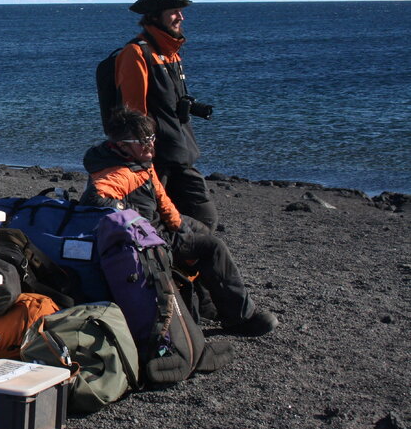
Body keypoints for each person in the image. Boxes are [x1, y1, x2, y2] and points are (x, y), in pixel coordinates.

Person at [79, 107, 278, 336]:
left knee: (200, 229)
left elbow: (162, 199)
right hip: (145, 239)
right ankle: (241, 319)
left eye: (152, 138)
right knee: (213, 248)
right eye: (143, 141)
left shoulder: (138, 160)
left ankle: (204, 303)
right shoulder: (118, 173)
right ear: (122, 145)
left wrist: (180, 226)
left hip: (155, 225)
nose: (151, 145)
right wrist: (131, 213)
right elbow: (93, 200)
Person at [116, 0, 218, 230]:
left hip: (180, 157)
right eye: (174, 12)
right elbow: (134, 114)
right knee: (174, 225)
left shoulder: (170, 53)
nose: (181, 18)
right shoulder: (136, 54)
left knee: (198, 223)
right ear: (153, 14)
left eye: (181, 11)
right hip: (157, 163)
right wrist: (144, 165)